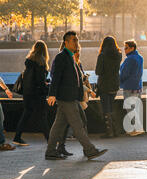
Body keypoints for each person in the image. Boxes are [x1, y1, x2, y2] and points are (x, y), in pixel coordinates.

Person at [45, 31, 107, 160]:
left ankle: (51, 151)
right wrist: (52, 94)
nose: (76, 42)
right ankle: (89, 150)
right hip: (66, 98)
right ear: (66, 42)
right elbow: (55, 77)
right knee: (78, 124)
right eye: (74, 40)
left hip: (70, 97)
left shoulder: (70, 57)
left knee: (58, 125)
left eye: (77, 40)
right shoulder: (62, 57)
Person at [13, 40, 50, 146]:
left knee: (26, 115)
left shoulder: (29, 61)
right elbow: (39, 80)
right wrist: (46, 87)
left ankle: (17, 137)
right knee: (42, 117)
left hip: (27, 93)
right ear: (44, 50)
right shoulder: (41, 62)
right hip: (37, 94)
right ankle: (49, 140)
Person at [96, 36, 122, 138]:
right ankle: (116, 131)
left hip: (104, 85)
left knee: (106, 109)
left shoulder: (102, 55)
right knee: (111, 107)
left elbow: (98, 71)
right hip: (115, 84)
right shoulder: (119, 55)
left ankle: (109, 132)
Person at [120, 40, 144, 136]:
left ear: (132, 48)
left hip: (129, 86)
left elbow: (124, 73)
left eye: (126, 48)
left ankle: (138, 128)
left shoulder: (129, 59)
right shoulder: (140, 57)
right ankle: (135, 128)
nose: (124, 50)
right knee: (135, 108)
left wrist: (119, 80)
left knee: (130, 108)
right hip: (138, 86)